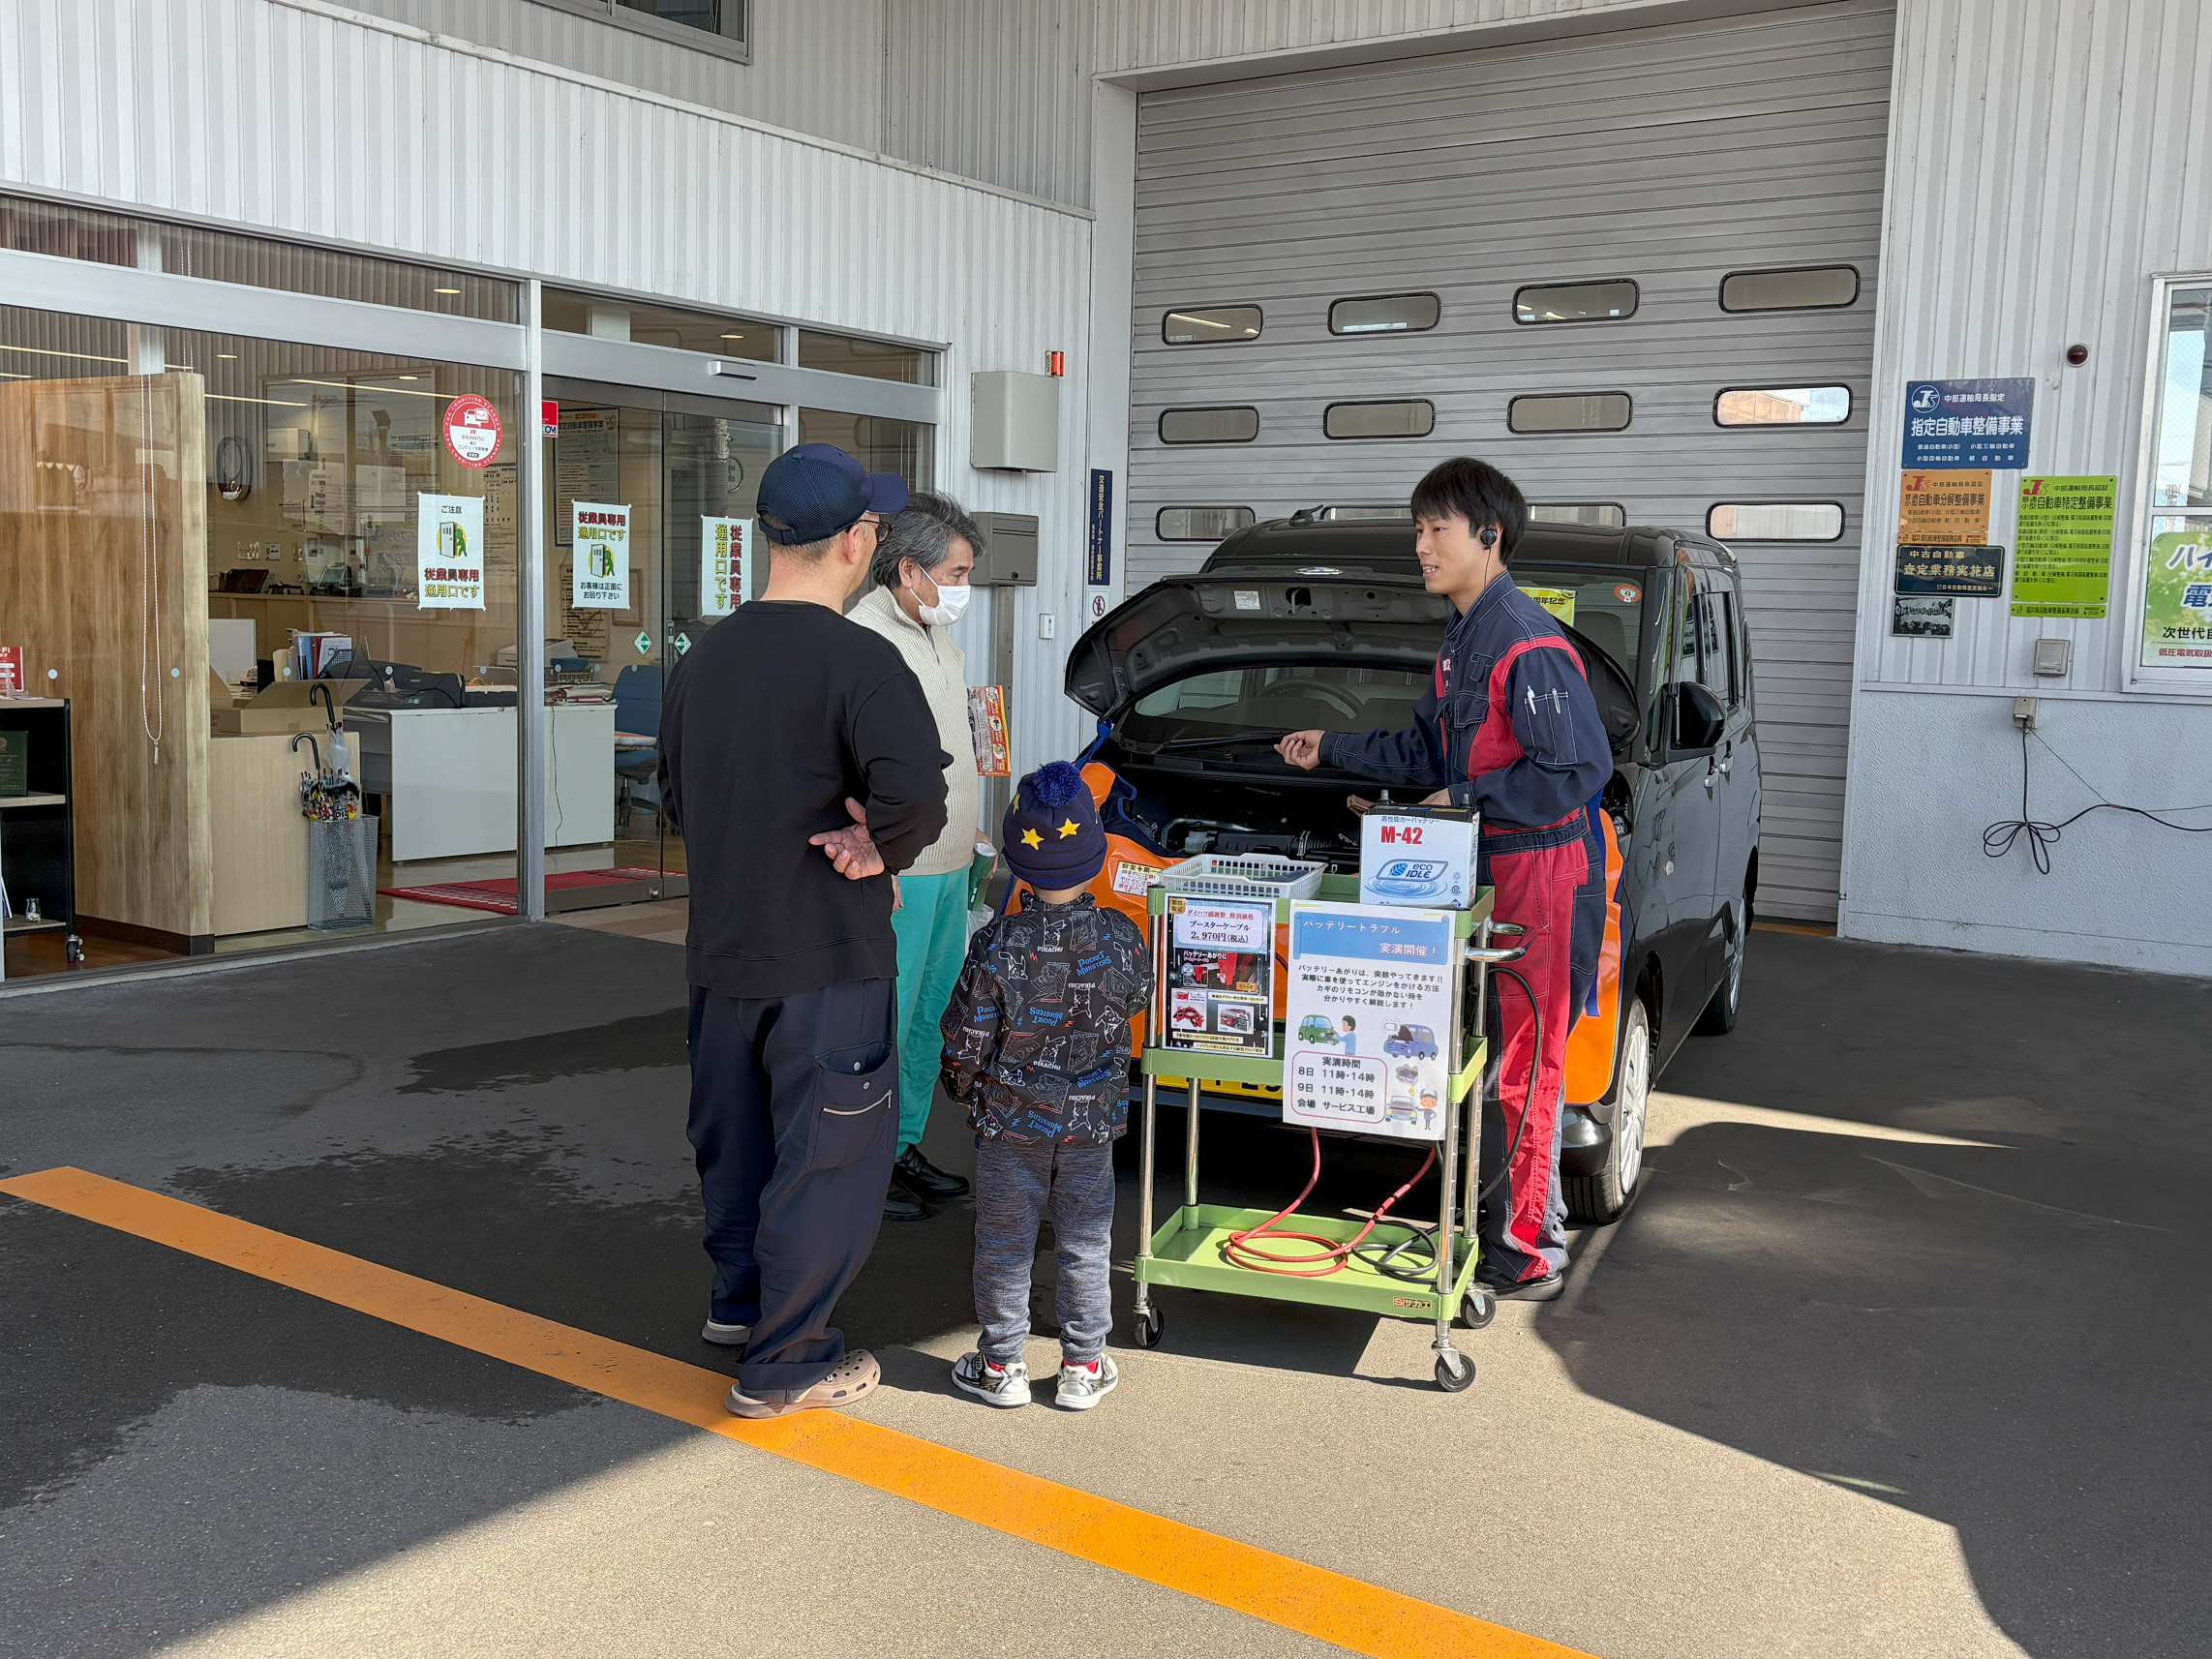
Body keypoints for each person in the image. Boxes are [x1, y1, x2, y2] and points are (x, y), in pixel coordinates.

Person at [658, 441, 950, 1418]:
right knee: (827, 1154)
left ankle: (740, 1306)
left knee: (734, 1139)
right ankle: (788, 1358)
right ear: (859, 541)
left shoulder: (701, 660)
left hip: (723, 952)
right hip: (826, 953)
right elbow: (916, 795)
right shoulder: (862, 661)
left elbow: (673, 795)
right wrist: (882, 851)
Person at [1277, 457, 1609, 1301]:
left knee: (1524, 1067)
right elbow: (1428, 749)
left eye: (1435, 530)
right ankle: (1504, 1222)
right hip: (1488, 868)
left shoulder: (1526, 642)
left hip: (1539, 869)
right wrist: (1334, 747)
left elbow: (1574, 770)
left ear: (1488, 536)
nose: (1418, 546)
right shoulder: (1464, 638)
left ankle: (1529, 1247)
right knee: (1486, 1060)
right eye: (1416, 529)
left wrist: (1462, 795)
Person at [937, 762, 1146, 1410]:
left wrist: (962, 1087)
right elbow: (1135, 1001)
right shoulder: (1121, 937)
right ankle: (1084, 1364)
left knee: (1004, 1242)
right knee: (1085, 1238)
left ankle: (1001, 1364)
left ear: (1017, 861)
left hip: (1009, 1124)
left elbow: (967, 1033)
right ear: (1095, 854)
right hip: (1090, 1124)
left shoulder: (997, 943)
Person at [848, 491, 985, 1222]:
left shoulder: (939, 637)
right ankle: (863, 1165)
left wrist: (974, 835)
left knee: (929, 1017)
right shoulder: (864, 640)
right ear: (910, 570)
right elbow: (851, 767)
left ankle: (901, 1147)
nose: (962, 588)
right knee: (884, 1025)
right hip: (900, 874)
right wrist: (884, 858)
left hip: (952, 863)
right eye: (955, 572)